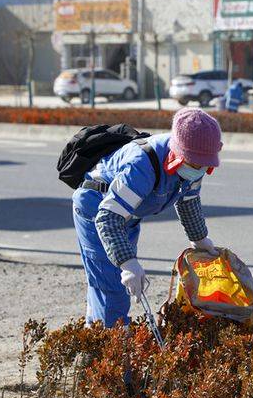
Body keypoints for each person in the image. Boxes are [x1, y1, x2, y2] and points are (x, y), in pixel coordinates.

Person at [72, 108, 222, 328]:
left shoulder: (194, 164)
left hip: (128, 216)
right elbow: (108, 218)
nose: (200, 169)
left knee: (109, 285)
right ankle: (111, 350)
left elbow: (188, 200)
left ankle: (94, 341)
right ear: (177, 154)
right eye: (195, 164)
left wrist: (200, 240)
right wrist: (128, 263)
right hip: (96, 211)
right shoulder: (142, 165)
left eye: (205, 165)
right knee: (112, 285)